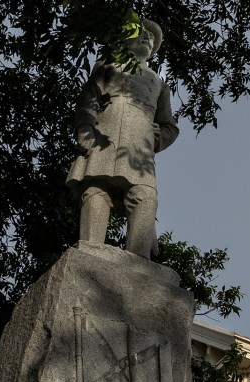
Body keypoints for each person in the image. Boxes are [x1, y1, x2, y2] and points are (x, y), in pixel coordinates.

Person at [67, 17, 179, 258]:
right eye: (143, 34)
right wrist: (85, 131)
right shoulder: (106, 67)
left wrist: (160, 137)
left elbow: (170, 125)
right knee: (96, 189)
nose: (148, 39)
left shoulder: (159, 83)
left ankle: (139, 259)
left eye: (152, 38)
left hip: (140, 146)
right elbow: (87, 102)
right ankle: (90, 249)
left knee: (145, 195)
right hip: (104, 133)